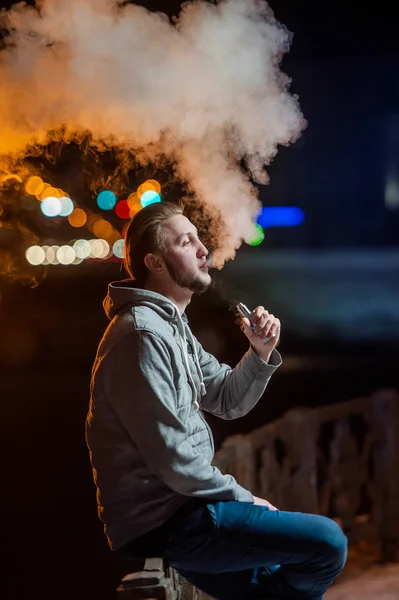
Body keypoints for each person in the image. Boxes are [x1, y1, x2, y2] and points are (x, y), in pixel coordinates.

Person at [85, 200, 347, 600]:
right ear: (155, 263)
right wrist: (247, 499)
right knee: (328, 542)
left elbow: (226, 399)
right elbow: (173, 459)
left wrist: (258, 353)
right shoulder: (142, 335)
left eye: (198, 238)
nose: (203, 249)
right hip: (167, 520)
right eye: (186, 242)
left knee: (271, 586)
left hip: (182, 510)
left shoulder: (171, 325)